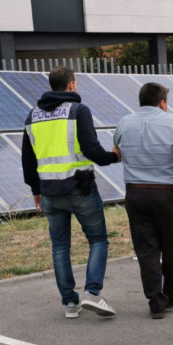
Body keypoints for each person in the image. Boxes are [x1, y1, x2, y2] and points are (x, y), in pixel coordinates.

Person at [22, 66, 119, 319]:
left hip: (50, 191)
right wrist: (113, 157)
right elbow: (92, 149)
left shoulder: (32, 116)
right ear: (72, 85)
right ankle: (92, 292)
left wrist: (36, 190)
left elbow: (28, 159)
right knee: (98, 240)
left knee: (60, 246)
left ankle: (70, 304)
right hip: (80, 188)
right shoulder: (78, 111)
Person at [113, 82, 173, 319]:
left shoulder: (124, 122)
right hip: (167, 192)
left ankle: (155, 300)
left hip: (135, 191)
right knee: (171, 245)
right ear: (162, 102)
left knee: (146, 248)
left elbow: (117, 151)